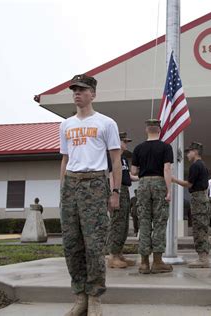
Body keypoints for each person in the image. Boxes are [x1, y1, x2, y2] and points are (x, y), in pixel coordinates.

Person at [59, 74, 122, 316]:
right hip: (71, 185)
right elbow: (65, 159)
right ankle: (80, 297)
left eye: (82, 89)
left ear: (93, 94)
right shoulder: (66, 125)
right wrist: (62, 188)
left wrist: (115, 191)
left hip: (95, 183)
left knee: (94, 245)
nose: (77, 93)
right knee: (71, 244)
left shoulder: (106, 123)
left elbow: (116, 159)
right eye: (74, 89)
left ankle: (95, 297)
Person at [131, 119, 173, 274]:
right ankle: (157, 261)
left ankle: (143, 262)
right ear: (159, 130)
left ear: (146, 130)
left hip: (143, 184)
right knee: (160, 222)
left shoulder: (138, 148)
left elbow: (134, 171)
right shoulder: (166, 147)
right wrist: (169, 190)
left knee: (144, 222)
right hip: (159, 183)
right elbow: (167, 169)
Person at [172, 142, 210, 268]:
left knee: (199, 229)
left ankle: (203, 259)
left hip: (198, 199)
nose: (187, 154)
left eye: (189, 152)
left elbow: (189, 184)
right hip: (202, 198)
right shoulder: (202, 165)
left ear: (195, 152)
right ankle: (203, 257)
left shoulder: (195, 166)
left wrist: (174, 179)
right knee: (202, 228)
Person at [107, 132, 139, 269]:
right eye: (124, 141)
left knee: (124, 225)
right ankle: (112, 256)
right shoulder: (112, 157)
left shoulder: (124, 159)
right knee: (117, 223)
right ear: (118, 141)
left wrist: (144, 176)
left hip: (125, 191)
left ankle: (119, 254)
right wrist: (113, 193)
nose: (126, 144)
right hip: (117, 191)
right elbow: (110, 175)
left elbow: (129, 176)